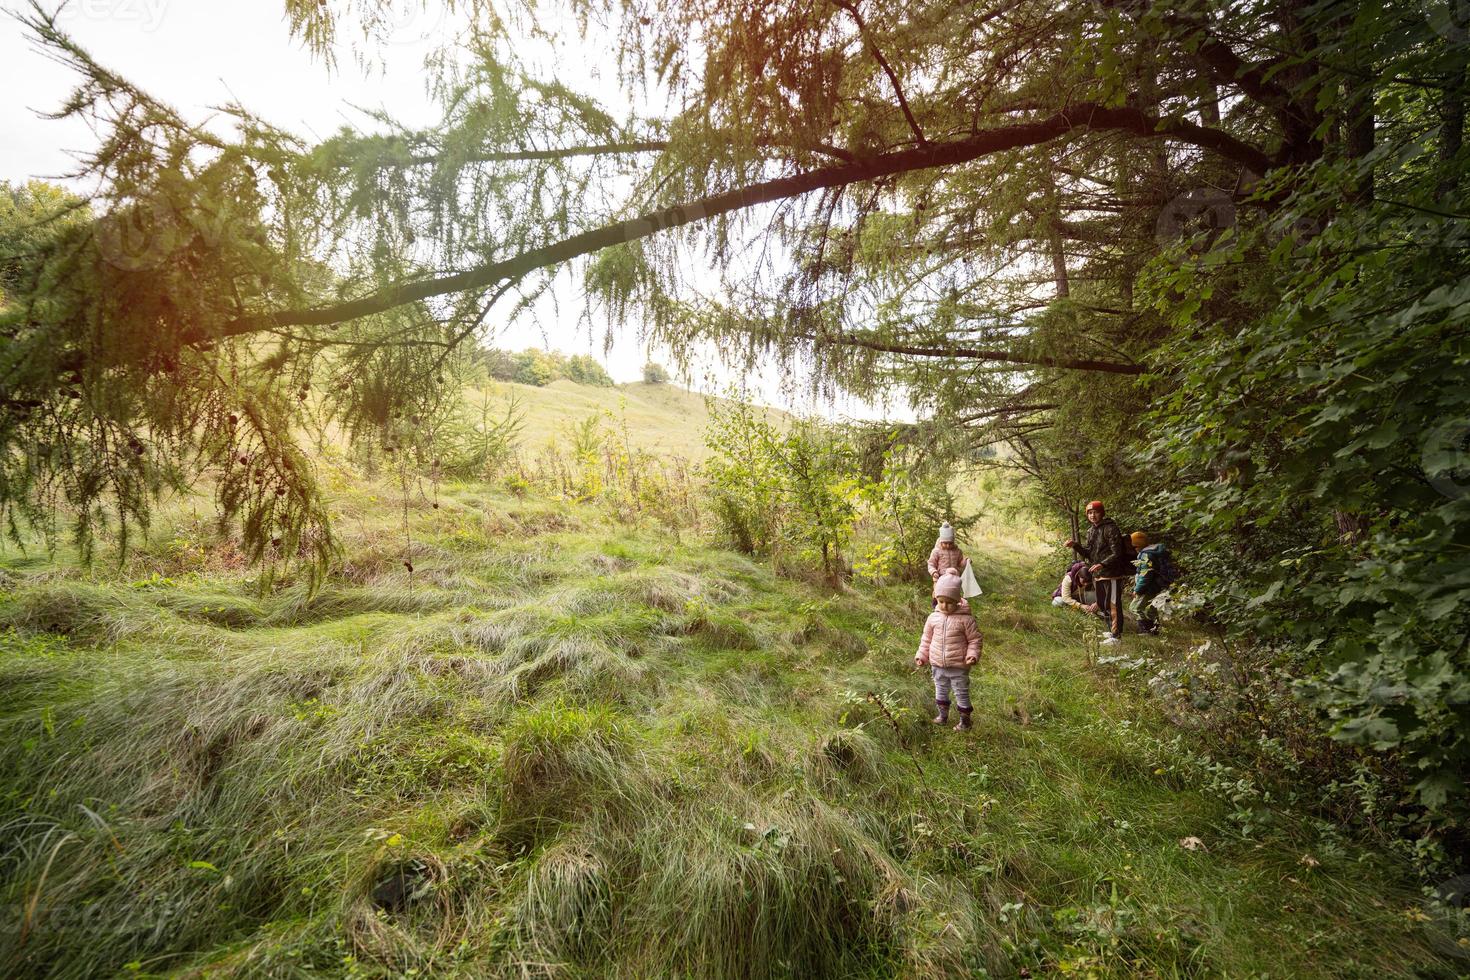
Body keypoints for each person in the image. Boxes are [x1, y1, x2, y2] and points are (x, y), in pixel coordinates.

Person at [915, 572, 983, 731]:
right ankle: (943, 716)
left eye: (950, 602)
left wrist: (972, 654)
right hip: (937, 664)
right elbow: (926, 639)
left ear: (958, 600)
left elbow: (975, 640)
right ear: (936, 599)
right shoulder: (933, 618)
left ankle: (965, 722)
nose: (944, 605)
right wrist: (921, 655)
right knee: (940, 690)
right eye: (941, 601)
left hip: (958, 665)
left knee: (961, 692)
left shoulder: (966, 620)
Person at [1065, 500, 1132, 646]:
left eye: (1095, 512)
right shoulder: (1091, 531)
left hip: (1112, 572)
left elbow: (1117, 552)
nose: (1092, 515)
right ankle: (1111, 629)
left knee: (1114, 603)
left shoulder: (1110, 528)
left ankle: (1116, 636)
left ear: (1101, 512)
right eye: (1089, 513)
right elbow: (1089, 554)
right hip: (1098, 574)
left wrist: (1102, 564)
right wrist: (1075, 546)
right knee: (1103, 603)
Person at [1129, 531, 1176, 635]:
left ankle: (1145, 630)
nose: (1133, 549)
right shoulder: (1153, 551)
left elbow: (1145, 575)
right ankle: (1154, 630)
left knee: (1135, 608)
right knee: (1151, 608)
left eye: (1134, 546)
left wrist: (1138, 589)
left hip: (1148, 587)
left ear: (1137, 545)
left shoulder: (1146, 555)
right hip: (1156, 586)